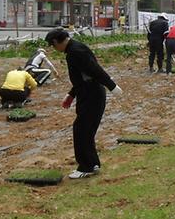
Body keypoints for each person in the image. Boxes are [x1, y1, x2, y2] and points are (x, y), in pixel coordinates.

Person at [45, 27, 122, 179]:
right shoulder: (74, 49)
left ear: (56, 42)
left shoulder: (75, 52)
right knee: (85, 130)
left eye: (53, 46)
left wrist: (112, 86)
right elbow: (82, 77)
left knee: (82, 129)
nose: (54, 49)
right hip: (87, 92)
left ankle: (86, 166)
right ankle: (92, 163)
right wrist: (71, 94)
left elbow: (95, 70)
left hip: (92, 94)